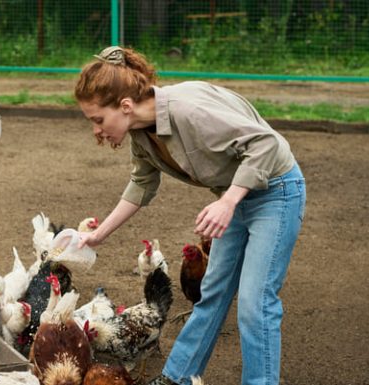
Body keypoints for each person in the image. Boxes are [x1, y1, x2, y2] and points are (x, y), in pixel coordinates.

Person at [75, 46, 306, 385]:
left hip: (275, 191)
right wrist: (98, 235)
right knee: (212, 293)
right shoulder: (142, 133)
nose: (96, 130)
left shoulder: (188, 109)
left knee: (256, 305)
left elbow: (266, 145)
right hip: (236, 196)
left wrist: (227, 202)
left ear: (125, 106)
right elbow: (141, 184)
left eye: (98, 120)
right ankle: (177, 378)